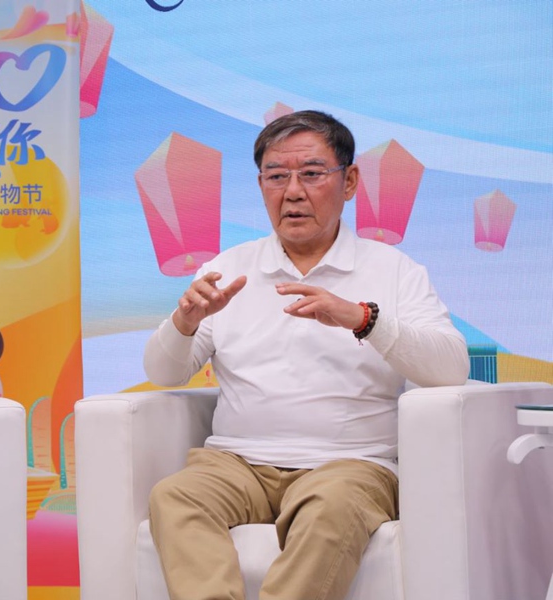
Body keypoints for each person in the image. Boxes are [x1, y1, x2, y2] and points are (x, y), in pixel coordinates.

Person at [143, 110, 469, 600]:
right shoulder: (228, 268)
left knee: (333, 507)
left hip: (351, 464)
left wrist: (363, 318)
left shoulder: (394, 270)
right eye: (276, 176)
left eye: (312, 174)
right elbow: (163, 372)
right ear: (261, 185)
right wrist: (184, 322)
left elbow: (451, 369)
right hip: (237, 463)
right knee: (175, 496)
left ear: (350, 181)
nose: (292, 192)